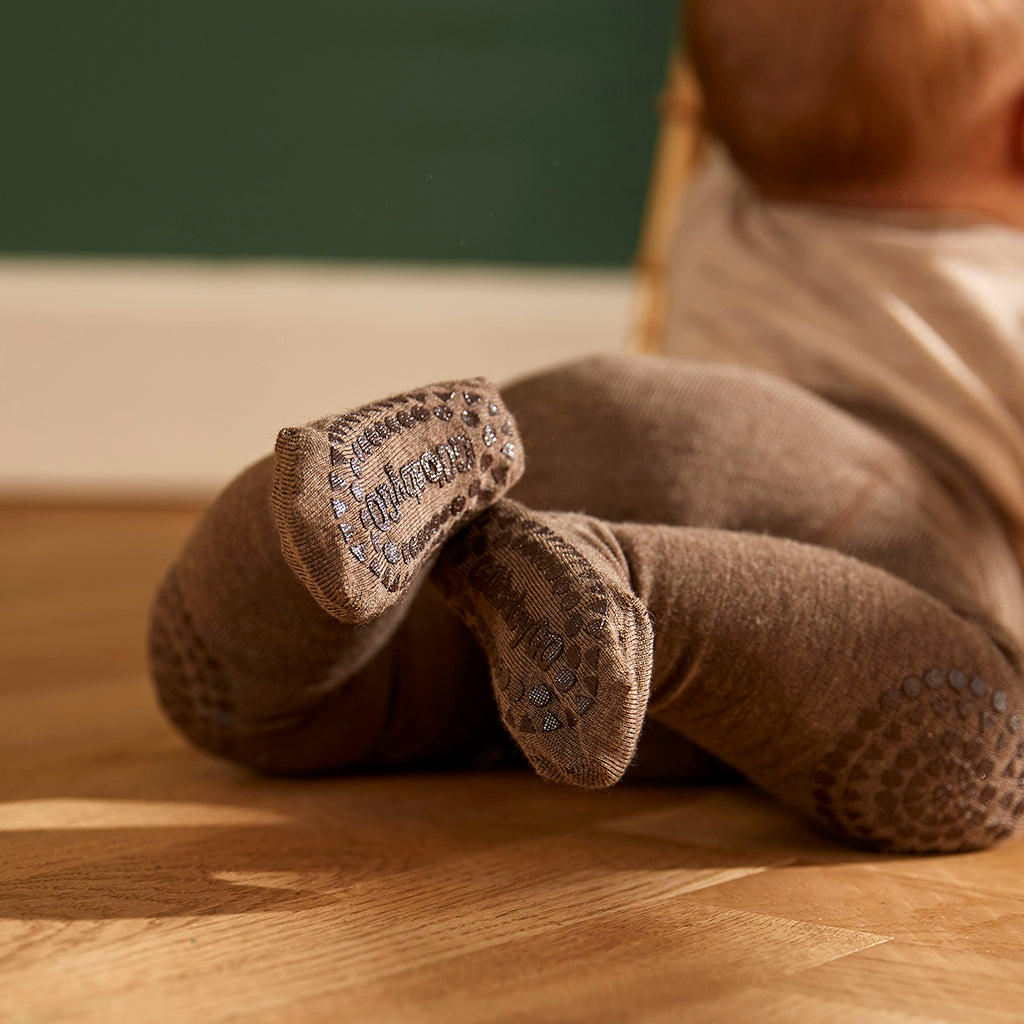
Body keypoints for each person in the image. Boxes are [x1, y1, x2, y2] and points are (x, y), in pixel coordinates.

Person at [149, 0, 1024, 854]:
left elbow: (791, 67)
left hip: (573, 431)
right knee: (977, 738)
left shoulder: (723, 199)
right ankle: (635, 594)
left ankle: (371, 490)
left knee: (266, 706)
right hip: (847, 520)